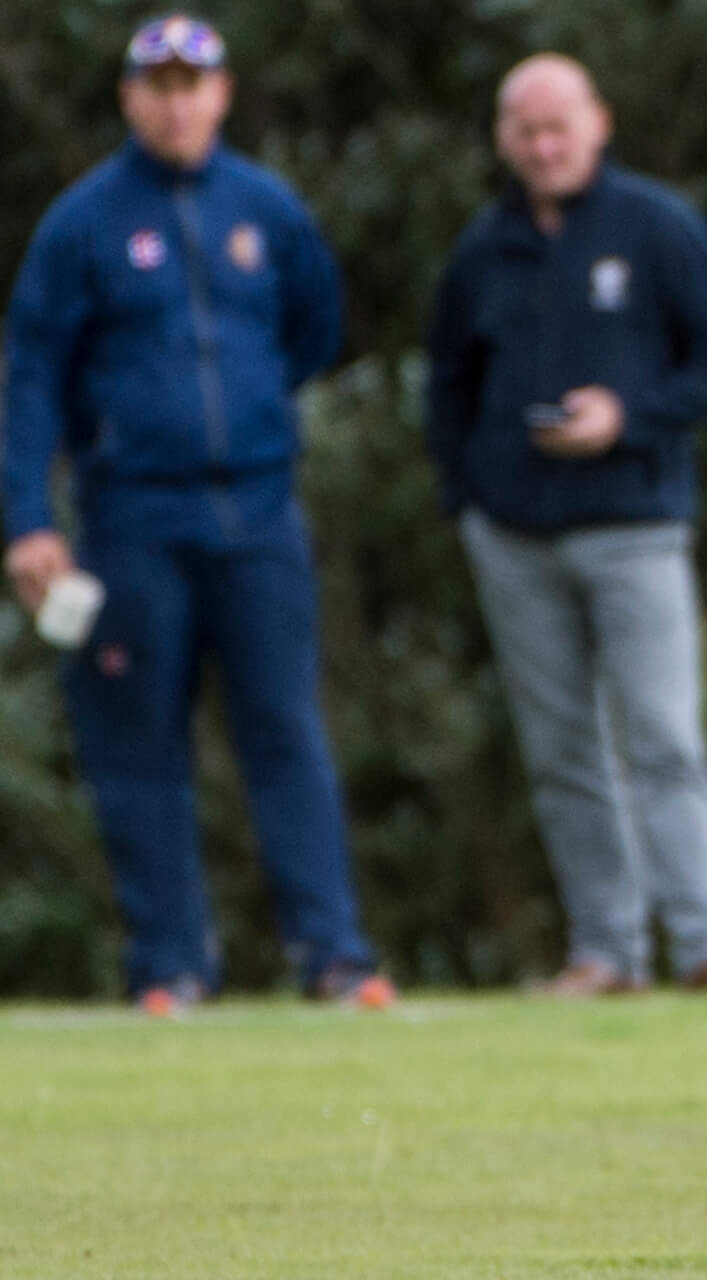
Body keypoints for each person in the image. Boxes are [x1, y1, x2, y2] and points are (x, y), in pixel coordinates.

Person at [1, 13, 392, 1016]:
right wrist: (24, 519)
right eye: (157, 84)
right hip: (130, 521)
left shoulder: (266, 207)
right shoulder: (82, 222)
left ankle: (334, 957)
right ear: (132, 96)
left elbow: (311, 327)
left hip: (258, 515)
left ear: (220, 93)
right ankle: (170, 966)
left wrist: (253, 420)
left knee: (285, 732)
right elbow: (32, 375)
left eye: (194, 83)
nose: (177, 102)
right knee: (139, 746)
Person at [425, 53, 707, 996]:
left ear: (598, 123)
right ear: (505, 139)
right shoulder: (482, 248)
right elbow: (447, 385)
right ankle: (605, 951)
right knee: (562, 752)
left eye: (559, 128)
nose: (544, 147)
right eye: (526, 132)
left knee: (665, 736)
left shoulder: (659, 226)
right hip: (513, 533)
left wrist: (628, 415)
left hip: (635, 523)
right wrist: (464, 498)